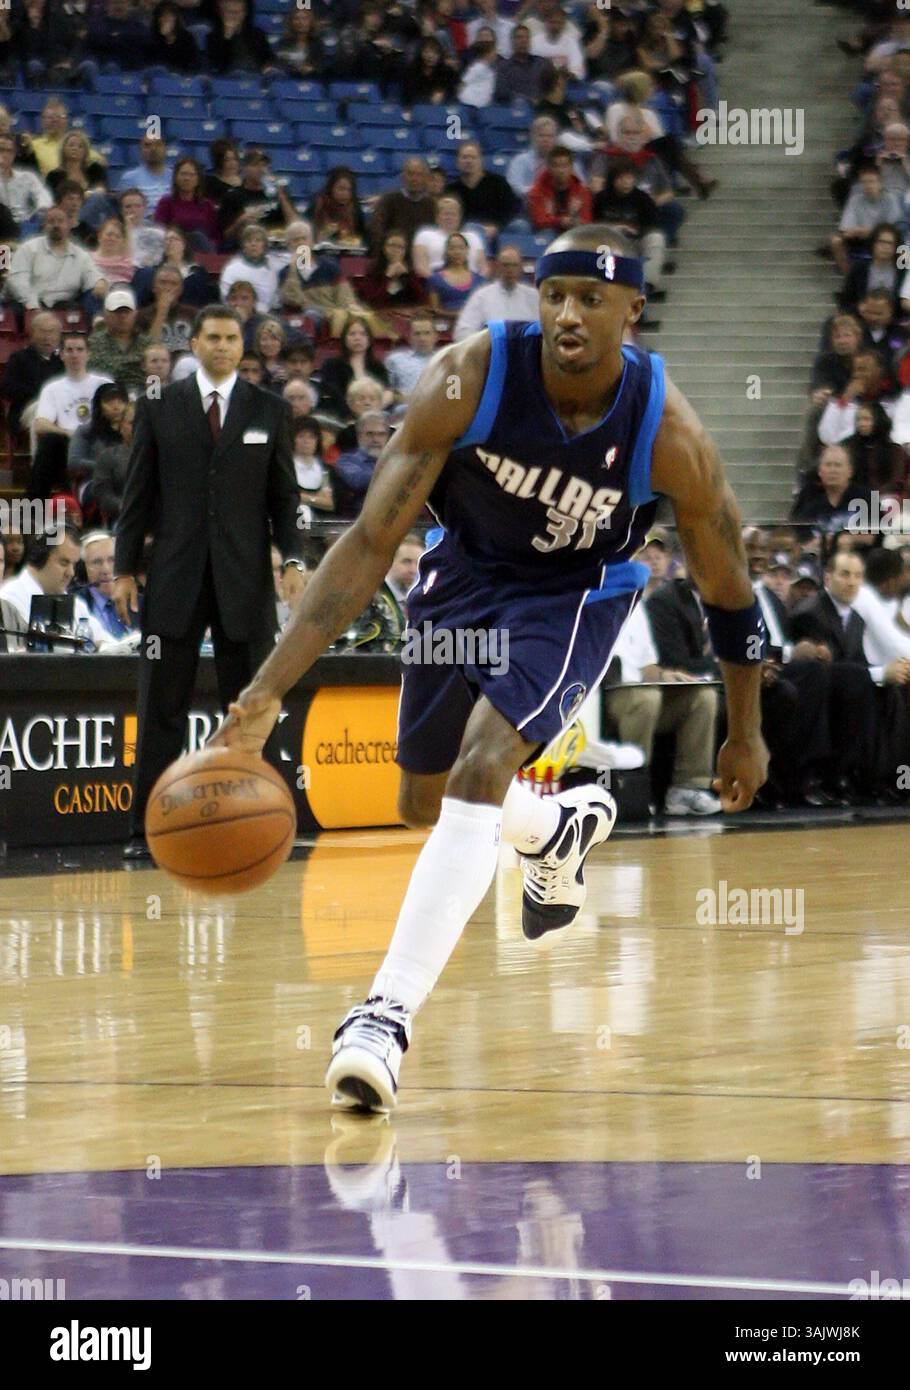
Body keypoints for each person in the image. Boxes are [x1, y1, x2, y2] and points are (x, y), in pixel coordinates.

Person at [210, 224, 769, 1113]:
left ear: (632, 310)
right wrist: (268, 687)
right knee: (420, 800)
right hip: (462, 578)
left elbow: (730, 591)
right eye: (554, 295)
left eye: (591, 298)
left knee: (479, 765)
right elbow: (365, 545)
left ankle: (384, 1016)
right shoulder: (468, 379)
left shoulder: (670, 433)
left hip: (573, 596)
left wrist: (745, 730)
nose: (568, 314)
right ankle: (550, 830)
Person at [112, 305, 305, 861]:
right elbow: (137, 495)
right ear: (192, 344)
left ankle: (262, 828)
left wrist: (292, 558)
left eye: (231, 338)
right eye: (213, 337)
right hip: (175, 576)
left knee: (251, 708)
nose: (222, 346)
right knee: (160, 711)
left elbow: (285, 498)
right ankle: (143, 833)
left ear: (243, 346)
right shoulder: (160, 406)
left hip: (245, 580)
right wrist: (125, 568)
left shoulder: (269, 409)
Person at [603, 597, 722, 815]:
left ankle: (687, 788)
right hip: (603, 697)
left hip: (643, 691)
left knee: (703, 697)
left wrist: (665, 675)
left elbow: (647, 665)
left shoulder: (635, 604)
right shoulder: (591, 598)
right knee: (647, 698)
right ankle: (634, 789)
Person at [31, 333, 112, 499]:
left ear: (88, 353)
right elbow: (40, 424)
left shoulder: (104, 383)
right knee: (49, 441)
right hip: (67, 444)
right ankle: (32, 510)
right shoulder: (52, 388)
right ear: (61, 355)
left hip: (99, 442)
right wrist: (70, 433)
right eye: (69, 350)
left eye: (80, 349)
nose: (74, 354)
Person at [0, 525, 108, 649]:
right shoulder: (11, 599)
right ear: (40, 557)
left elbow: (105, 640)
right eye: (64, 563)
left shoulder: (74, 602)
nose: (71, 573)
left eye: (74, 565)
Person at [5, 204, 107, 311]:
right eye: (51, 221)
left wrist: (100, 282)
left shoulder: (81, 256)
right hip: (30, 305)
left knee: (94, 297)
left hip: (66, 308)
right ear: (44, 225)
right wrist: (33, 306)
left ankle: (98, 325)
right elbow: (18, 280)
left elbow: (94, 276)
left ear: (69, 225)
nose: (56, 225)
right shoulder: (28, 248)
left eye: (60, 221)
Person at [453, 245, 540, 341]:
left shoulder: (534, 297)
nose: (510, 270)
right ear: (497, 266)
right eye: (506, 265)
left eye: (514, 265)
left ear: (521, 268)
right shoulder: (481, 296)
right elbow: (462, 331)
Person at [0, 310, 61, 437]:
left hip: (60, 408)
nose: (47, 337)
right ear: (32, 334)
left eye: (52, 332)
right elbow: (6, 388)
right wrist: (41, 393)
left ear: (59, 336)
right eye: (43, 332)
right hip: (25, 410)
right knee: (40, 412)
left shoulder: (63, 361)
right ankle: (39, 457)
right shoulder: (19, 358)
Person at [75, 528, 137, 638]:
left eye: (112, 560)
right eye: (96, 562)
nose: (106, 569)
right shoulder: (76, 605)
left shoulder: (142, 603)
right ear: (83, 569)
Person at [332, 410, 391, 519]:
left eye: (381, 434)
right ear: (359, 435)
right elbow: (358, 481)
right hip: (360, 519)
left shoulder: (395, 460)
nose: (376, 439)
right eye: (370, 434)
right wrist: (395, 473)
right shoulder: (347, 460)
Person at [412, 196, 488, 279]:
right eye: (446, 214)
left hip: (471, 281)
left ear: (459, 217)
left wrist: (477, 283)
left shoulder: (473, 237)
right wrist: (440, 283)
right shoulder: (425, 235)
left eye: (453, 214)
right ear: (437, 218)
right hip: (437, 280)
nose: (449, 217)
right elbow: (420, 267)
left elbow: (484, 267)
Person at [153, 158, 219, 249]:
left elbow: (215, 236)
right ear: (176, 178)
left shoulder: (207, 205)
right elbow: (159, 232)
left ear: (198, 180)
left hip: (203, 251)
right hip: (175, 249)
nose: (187, 178)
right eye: (183, 174)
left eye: (191, 175)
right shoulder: (166, 202)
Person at [0, 131, 52, 237]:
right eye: (1, 150)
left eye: (9, 151)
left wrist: (42, 208)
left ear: (14, 154)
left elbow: (42, 194)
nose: (4, 154)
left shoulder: (27, 177)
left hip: (25, 226)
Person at [427, 232, 487, 319]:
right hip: (446, 325)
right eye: (452, 248)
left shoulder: (479, 280)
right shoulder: (435, 279)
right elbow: (435, 309)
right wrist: (457, 315)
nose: (457, 252)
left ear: (467, 251)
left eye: (461, 248)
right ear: (446, 251)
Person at [306, 167, 368, 248]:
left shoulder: (355, 208)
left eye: (349, 190)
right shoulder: (318, 205)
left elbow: (363, 237)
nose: (345, 193)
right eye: (341, 189)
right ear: (331, 188)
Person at [385, 312, 438, 403]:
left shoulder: (448, 360)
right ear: (410, 338)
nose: (422, 338)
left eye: (427, 333)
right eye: (417, 334)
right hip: (405, 409)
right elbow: (385, 392)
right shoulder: (395, 360)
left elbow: (455, 395)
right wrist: (402, 398)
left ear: (435, 337)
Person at [117, 135, 173, 212]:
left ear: (165, 149)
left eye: (158, 144)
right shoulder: (129, 178)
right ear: (140, 151)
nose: (153, 149)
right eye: (147, 145)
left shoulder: (175, 177)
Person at [147, 0, 201, 73]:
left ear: (176, 18)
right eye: (161, 16)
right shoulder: (153, 39)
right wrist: (165, 38)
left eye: (168, 16)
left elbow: (194, 65)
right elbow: (153, 66)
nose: (165, 19)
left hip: (182, 79)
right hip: (161, 80)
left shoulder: (187, 38)